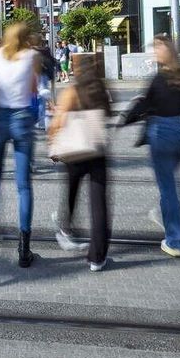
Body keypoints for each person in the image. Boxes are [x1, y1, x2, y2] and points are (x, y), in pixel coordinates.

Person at [120, 35, 180, 258]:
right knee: (170, 184)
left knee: (168, 188)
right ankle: (174, 220)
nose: (154, 53)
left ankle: (176, 240)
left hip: (162, 132)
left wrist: (128, 115)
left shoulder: (158, 78)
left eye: (156, 49)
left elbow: (147, 105)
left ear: (165, 52)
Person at [0, 22, 42, 268]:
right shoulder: (32, 56)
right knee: (23, 185)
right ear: (27, 37)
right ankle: (24, 249)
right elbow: (33, 88)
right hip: (21, 119)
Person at [48, 56, 113, 270]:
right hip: (96, 151)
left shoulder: (72, 92)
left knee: (71, 190)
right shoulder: (102, 90)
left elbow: (58, 122)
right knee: (99, 205)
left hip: (74, 153)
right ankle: (97, 257)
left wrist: (52, 145)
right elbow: (107, 118)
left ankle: (66, 227)